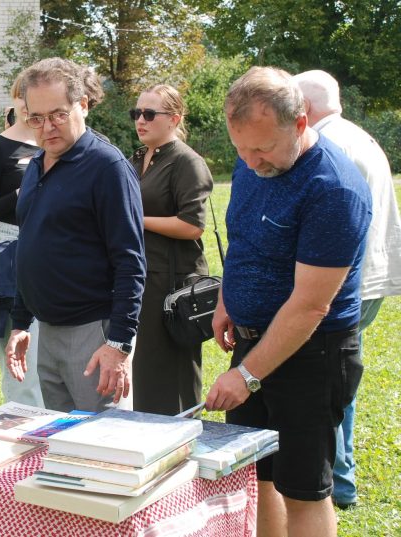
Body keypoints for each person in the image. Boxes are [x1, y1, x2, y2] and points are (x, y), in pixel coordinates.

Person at [205, 66, 371, 537]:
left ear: (300, 124)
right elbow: (243, 239)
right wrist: (227, 299)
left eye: (261, 149)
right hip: (253, 342)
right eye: (240, 148)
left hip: (312, 354)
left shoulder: (332, 188)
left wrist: (247, 375)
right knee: (256, 479)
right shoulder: (252, 158)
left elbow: (310, 306)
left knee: (303, 489)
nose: (250, 161)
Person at [5, 58, 146, 413]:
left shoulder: (107, 167)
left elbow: (130, 262)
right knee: (61, 440)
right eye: (36, 118)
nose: (47, 127)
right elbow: (30, 244)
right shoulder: (37, 164)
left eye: (58, 114)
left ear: (82, 105)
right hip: (47, 331)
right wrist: (21, 323)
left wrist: (119, 343)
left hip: (94, 334)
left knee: (103, 442)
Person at [294, 69, 401, 509]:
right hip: (371, 275)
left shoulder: (327, 145)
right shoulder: (360, 135)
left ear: (303, 107)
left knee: (328, 381)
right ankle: (342, 476)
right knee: (341, 379)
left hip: (344, 280)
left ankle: (337, 481)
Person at [129, 84, 213, 415]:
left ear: (174, 118)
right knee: (145, 369)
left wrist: (137, 220)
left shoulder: (187, 161)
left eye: (150, 114)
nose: (141, 120)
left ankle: (182, 434)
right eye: (137, 113)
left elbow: (193, 225)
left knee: (172, 373)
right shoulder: (139, 157)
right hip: (142, 274)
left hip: (173, 281)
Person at [0, 73, 44, 407]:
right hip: (12, 249)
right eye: (22, 96)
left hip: (56, 249)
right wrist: (19, 194)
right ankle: (26, 427)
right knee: (21, 356)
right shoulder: (0, 146)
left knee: (54, 355)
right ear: (14, 99)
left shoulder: (57, 142)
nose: (28, 105)